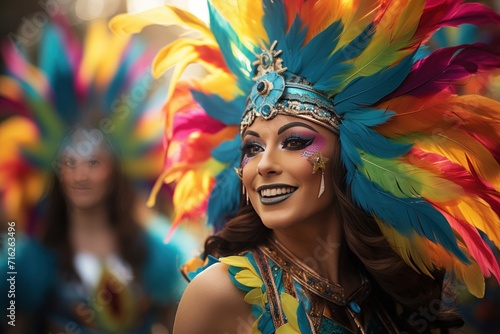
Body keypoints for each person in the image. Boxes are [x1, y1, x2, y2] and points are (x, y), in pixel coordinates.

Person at [111, 0, 500, 333]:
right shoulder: (219, 295)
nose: (264, 165)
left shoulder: (392, 285)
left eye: (294, 142)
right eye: (251, 148)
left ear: (348, 155)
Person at [0, 17, 196, 334]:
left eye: (93, 162)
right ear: (56, 173)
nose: (80, 175)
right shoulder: (28, 263)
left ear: (115, 173)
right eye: (70, 163)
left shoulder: (159, 255)